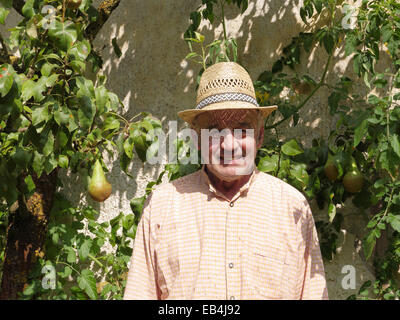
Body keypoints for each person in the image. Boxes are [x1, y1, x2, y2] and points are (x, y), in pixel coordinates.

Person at [123, 62, 329, 300]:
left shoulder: (292, 207)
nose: (228, 145)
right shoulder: (162, 206)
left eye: (242, 129)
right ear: (196, 139)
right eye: (214, 130)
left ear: (260, 136)